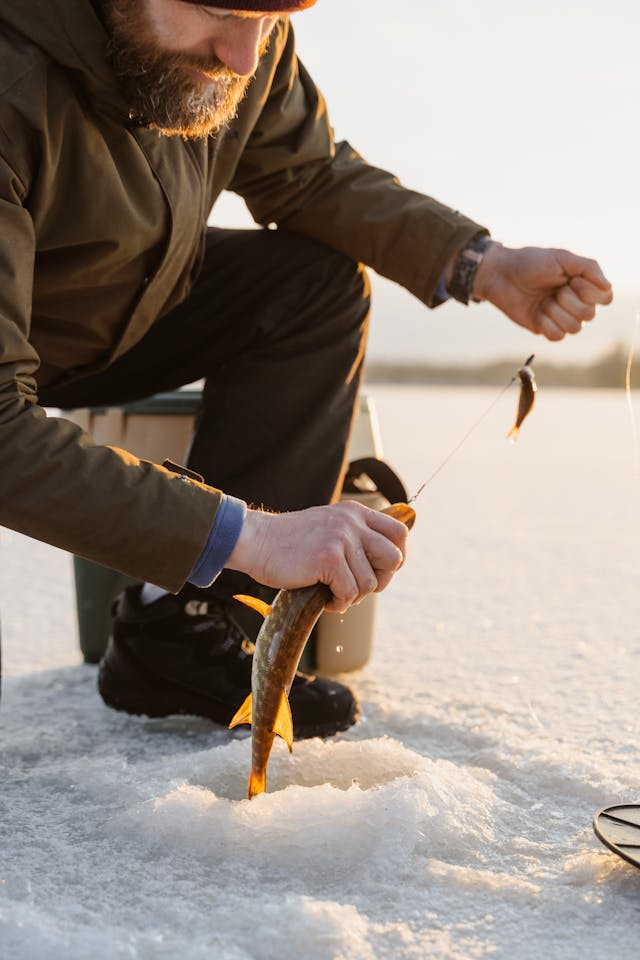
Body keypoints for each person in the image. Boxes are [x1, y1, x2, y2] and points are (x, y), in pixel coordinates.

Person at [0, 0, 613, 738]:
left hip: (124, 304)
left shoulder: (247, 36)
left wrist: (483, 265)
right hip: (22, 336)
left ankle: (188, 629)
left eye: (270, 19)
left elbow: (311, 173)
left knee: (314, 283)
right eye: (223, 12)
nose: (245, 57)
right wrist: (254, 539)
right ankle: (230, 572)